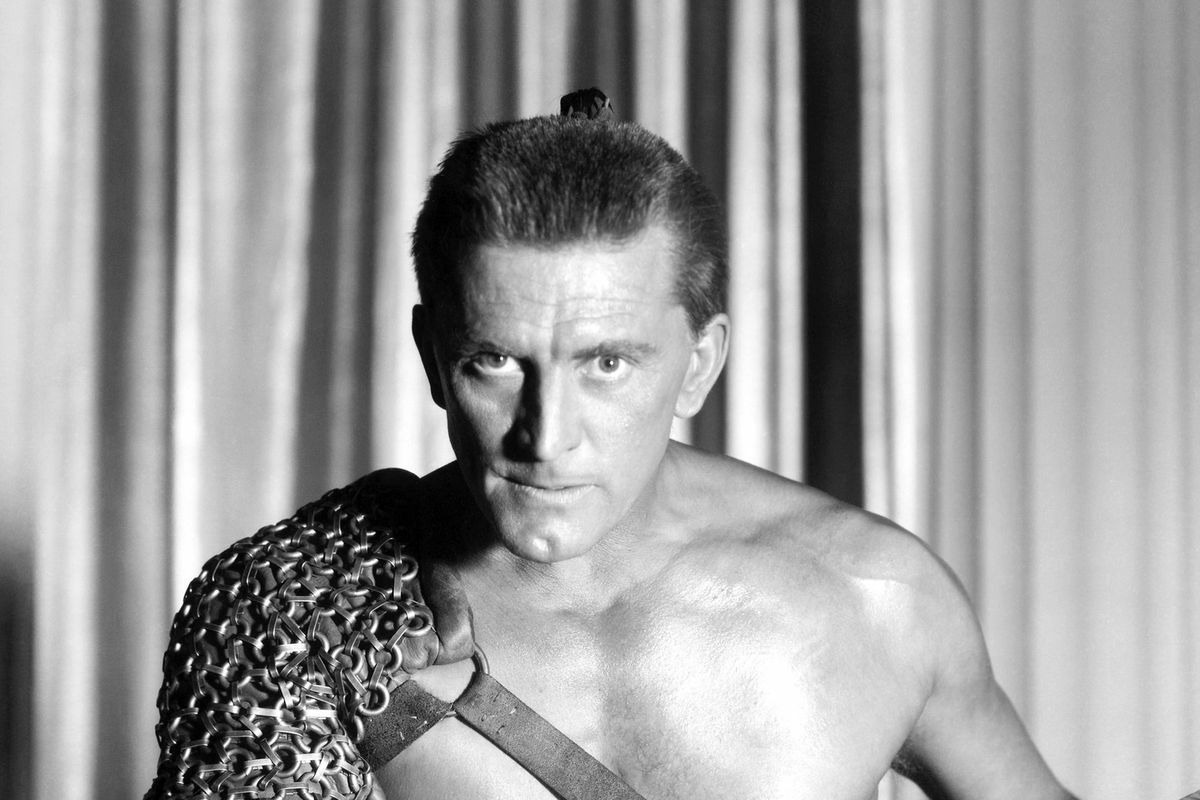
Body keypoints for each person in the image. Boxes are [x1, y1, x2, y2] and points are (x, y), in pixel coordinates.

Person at [146, 90, 1076, 800]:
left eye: (606, 364)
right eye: (494, 361)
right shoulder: (306, 611)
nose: (546, 437)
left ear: (699, 365)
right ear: (433, 357)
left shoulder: (880, 604)